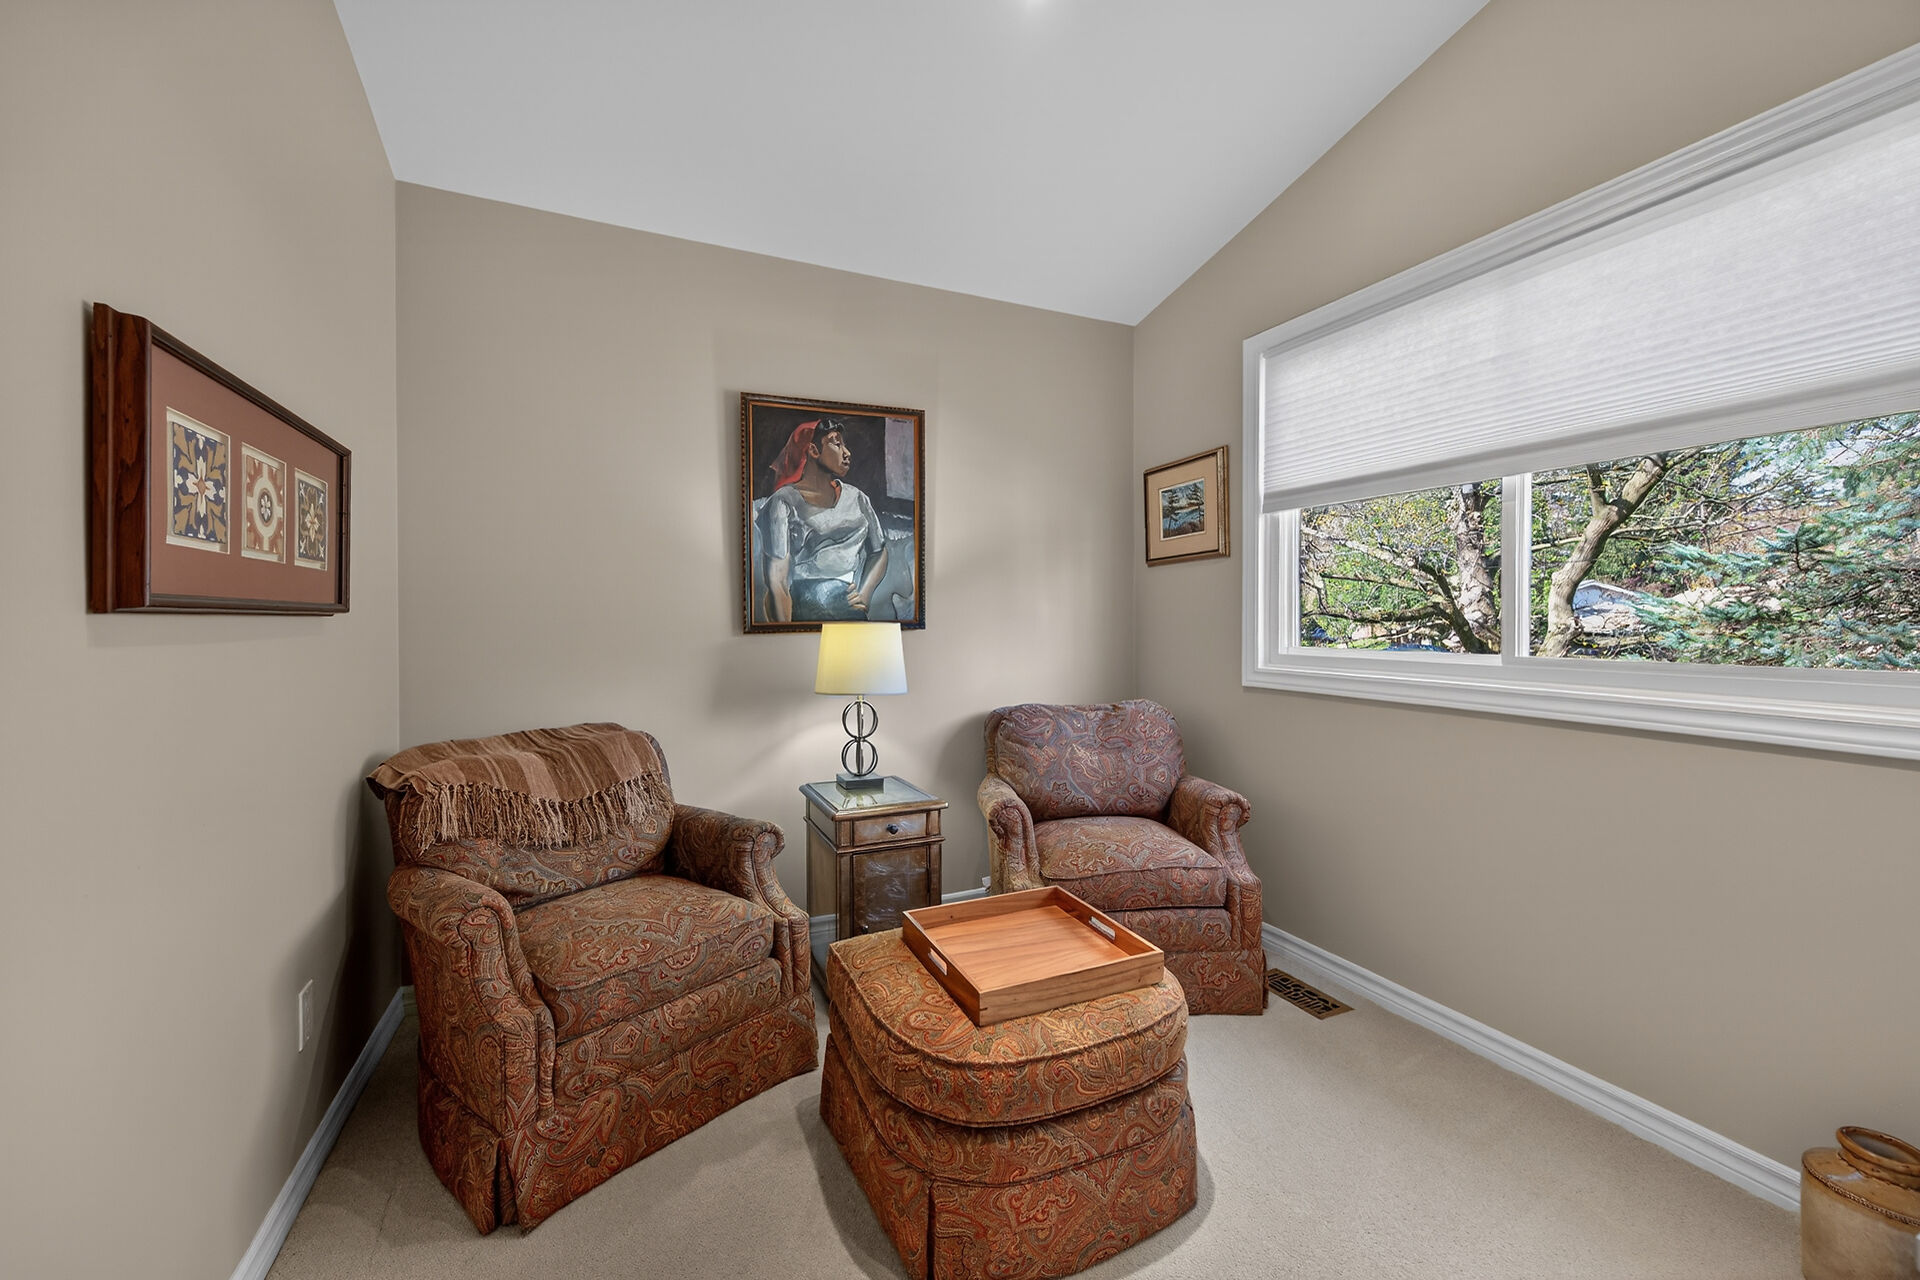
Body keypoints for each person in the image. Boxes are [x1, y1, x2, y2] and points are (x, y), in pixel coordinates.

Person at [759, 419, 891, 622]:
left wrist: (865, 593)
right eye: (837, 444)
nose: (847, 453)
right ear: (813, 450)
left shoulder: (858, 498)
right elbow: (778, 580)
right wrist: (785, 629)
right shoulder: (783, 501)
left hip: (848, 606)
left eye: (844, 445)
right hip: (805, 603)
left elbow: (878, 551)